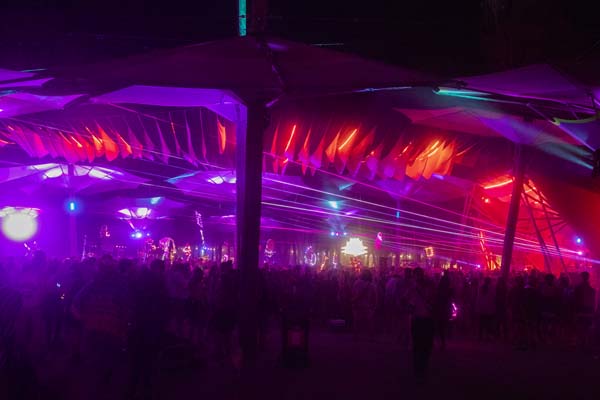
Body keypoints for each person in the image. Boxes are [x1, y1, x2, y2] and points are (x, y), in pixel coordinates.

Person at [71, 255, 131, 400]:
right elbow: (127, 312)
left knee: (94, 369)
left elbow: (74, 307)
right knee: (108, 369)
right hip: (112, 333)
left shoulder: (91, 286)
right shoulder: (121, 287)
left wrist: (86, 320)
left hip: (94, 332)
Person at [407, 267, 435, 382]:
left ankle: (418, 370)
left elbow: (408, 304)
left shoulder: (413, 288)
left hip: (417, 319)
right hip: (428, 319)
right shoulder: (431, 287)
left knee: (417, 345)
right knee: (426, 345)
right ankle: (423, 368)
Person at [351, 270, 377, 340]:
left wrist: (353, 301)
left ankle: (356, 335)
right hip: (367, 306)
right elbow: (375, 296)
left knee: (357, 321)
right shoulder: (371, 285)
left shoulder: (356, 283)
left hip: (358, 305)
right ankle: (370, 336)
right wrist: (374, 306)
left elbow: (353, 293)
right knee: (369, 322)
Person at [573, 271, 596, 348]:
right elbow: (593, 301)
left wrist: (575, 311)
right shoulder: (592, 290)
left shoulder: (578, 288)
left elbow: (575, 300)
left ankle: (581, 342)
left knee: (581, 326)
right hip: (588, 310)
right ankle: (585, 342)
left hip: (581, 310)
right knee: (586, 327)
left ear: (581, 277)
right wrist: (593, 311)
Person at [433, 271, 453, 350]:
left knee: (439, 326)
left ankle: (440, 342)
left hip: (440, 309)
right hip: (445, 309)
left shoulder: (439, 290)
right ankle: (442, 342)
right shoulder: (449, 290)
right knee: (443, 326)